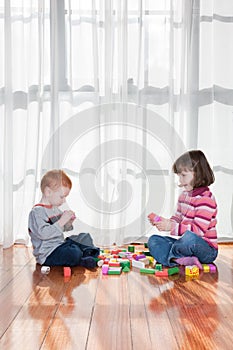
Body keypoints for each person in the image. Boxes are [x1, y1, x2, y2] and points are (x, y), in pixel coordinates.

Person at [147, 150, 218, 269]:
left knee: (189, 238)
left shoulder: (206, 199)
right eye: (179, 176)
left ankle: (171, 256)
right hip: (185, 246)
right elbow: (178, 218)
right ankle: (178, 259)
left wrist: (171, 227)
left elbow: (198, 231)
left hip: (205, 249)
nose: (180, 180)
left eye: (183, 175)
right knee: (153, 240)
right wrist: (166, 222)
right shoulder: (183, 196)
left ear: (198, 173)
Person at [28, 169, 99, 268]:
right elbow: (43, 234)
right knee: (73, 253)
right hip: (48, 254)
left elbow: (62, 228)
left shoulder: (55, 209)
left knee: (84, 237)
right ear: (48, 192)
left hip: (60, 244)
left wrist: (68, 222)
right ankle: (84, 258)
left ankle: (88, 255)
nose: (64, 200)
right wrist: (62, 221)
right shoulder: (37, 212)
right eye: (62, 197)